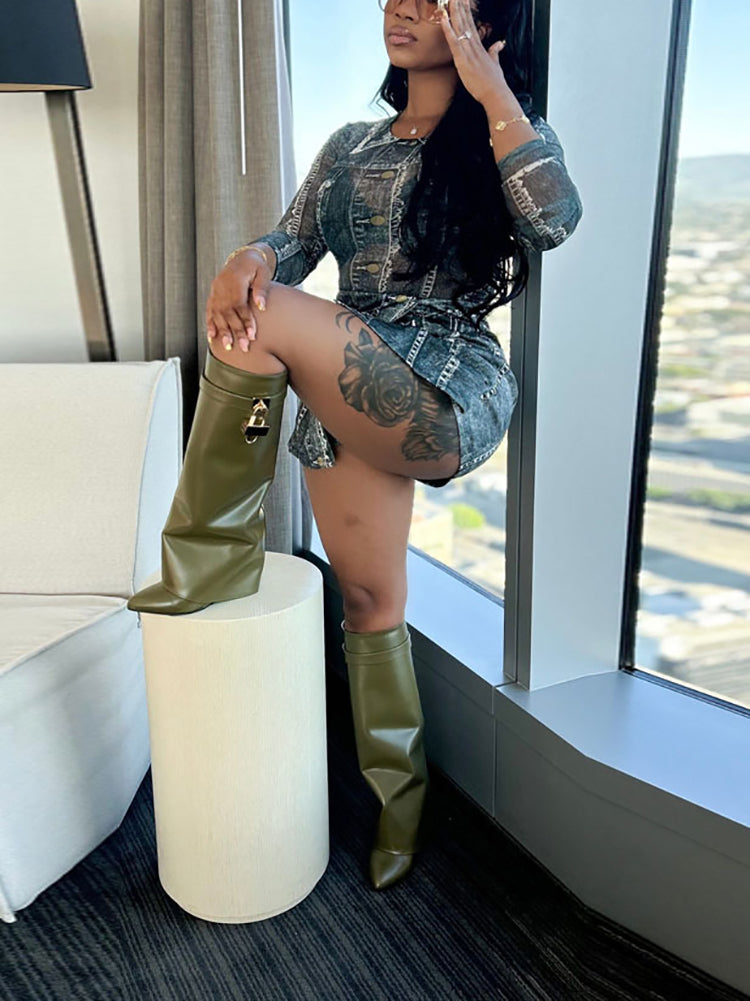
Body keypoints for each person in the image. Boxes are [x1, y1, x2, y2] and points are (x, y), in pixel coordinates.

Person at [128, 0, 583, 891]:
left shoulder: (506, 135)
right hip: (352, 383)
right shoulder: (349, 146)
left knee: (262, 319)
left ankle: (206, 554)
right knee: (370, 602)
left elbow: (555, 221)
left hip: (443, 384)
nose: (401, 8)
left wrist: (492, 91)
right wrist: (250, 257)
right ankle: (400, 805)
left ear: (483, 21)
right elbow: (292, 242)